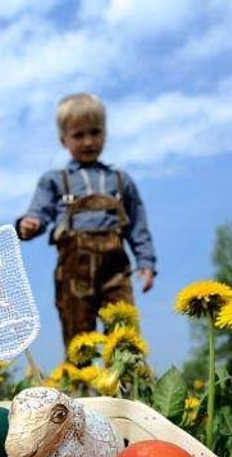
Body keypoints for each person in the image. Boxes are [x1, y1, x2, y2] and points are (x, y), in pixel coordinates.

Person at [16, 93, 156, 350]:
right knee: (79, 338)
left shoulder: (120, 180)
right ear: (63, 140)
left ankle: (127, 385)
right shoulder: (55, 180)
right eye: (79, 135)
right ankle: (81, 385)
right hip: (73, 273)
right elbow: (39, 212)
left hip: (116, 271)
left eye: (95, 132)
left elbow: (138, 224)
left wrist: (146, 262)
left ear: (105, 133)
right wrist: (29, 224)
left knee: (125, 337)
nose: (89, 141)